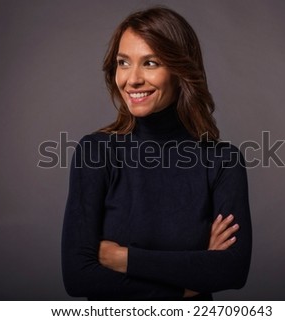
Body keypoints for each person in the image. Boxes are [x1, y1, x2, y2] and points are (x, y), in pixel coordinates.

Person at [62, 6, 252, 300]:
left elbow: (232, 271)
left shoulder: (223, 162)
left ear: (181, 70)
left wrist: (124, 258)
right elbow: (78, 277)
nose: (132, 79)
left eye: (150, 63)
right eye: (123, 63)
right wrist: (186, 286)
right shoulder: (95, 152)